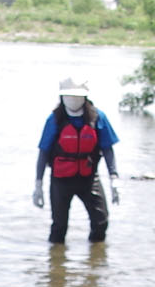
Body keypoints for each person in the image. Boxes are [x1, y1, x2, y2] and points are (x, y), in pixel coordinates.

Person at [33, 78, 121, 245]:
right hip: (61, 180)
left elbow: (108, 149)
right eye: (69, 95)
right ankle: (57, 265)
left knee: (101, 222)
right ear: (62, 97)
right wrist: (38, 184)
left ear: (85, 97)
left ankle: (95, 263)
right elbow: (43, 152)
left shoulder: (97, 117)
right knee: (59, 226)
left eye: (77, 96)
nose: (73, 100)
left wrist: (114, 178)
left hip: (88, 178)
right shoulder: (54, 120)